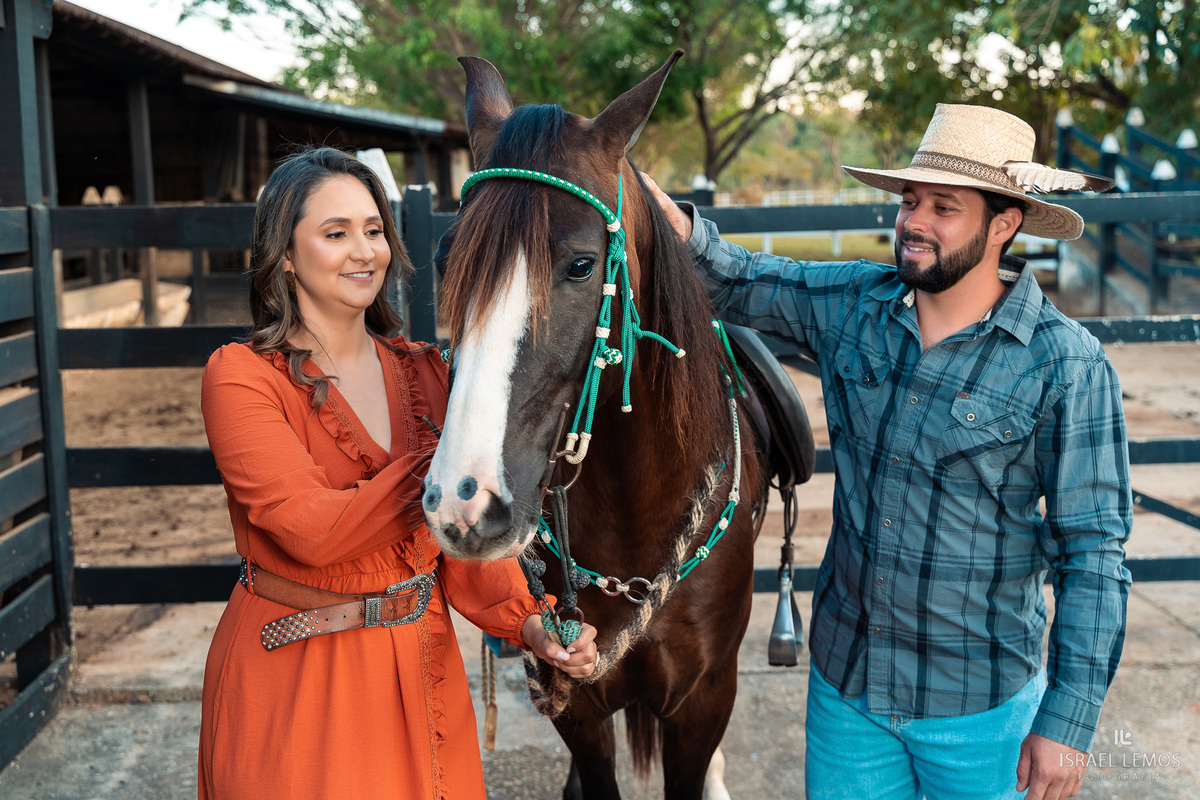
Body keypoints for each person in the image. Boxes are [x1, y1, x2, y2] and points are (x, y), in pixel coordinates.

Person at [646, 104, 1131, 800]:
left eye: (944, 207)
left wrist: (1069, 723)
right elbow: (735, 277)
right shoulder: (855, 307)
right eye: (910, 201)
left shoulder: (1068, 365)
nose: (915, 221)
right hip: (850, 694)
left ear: (1005, 223)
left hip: (983, 710)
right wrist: (629, 186)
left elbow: (1095, 556)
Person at [198, 146, 597, 800]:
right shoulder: (242, 378)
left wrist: (530, 623)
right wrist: (447, 465)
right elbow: (306, 530)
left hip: (419, 669)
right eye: (336, 233)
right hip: (296, 675)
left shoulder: (427, 373)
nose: (364, 251)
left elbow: (458, 540)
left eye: (374, 230)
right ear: (286, 254)